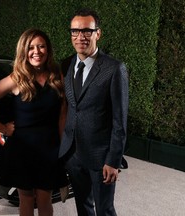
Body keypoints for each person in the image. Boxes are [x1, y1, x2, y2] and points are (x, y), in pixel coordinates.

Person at [0, 28, 68, 216]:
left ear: (48, 50)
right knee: (27, 197)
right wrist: (2, 128)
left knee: (45, 198)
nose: (37, 51)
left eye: (41, 46)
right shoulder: (16, 79)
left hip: (49, 147)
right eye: (31, 47)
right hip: (23, 148)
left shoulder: (57, 76)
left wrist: (63, 147)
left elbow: (63, 115)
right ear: (24, 50)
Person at [58, 8, 129, 216]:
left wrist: (113, 161)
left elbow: (120, 121)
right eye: (75, 31)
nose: (81, 37)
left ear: (98, 33)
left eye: (87, 31)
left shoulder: (114, 69)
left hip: (101, 158)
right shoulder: (66, 64)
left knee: (104, 210)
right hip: (73, 155)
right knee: (83, 207)